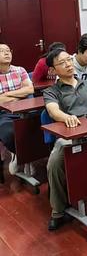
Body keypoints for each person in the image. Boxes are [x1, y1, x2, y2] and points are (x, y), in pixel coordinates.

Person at [43, 49, 87, 230]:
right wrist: (65, 117)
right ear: (53, 70)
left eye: (69, 60)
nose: (69, 64)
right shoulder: (51, 91)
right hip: (70, 134)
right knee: (54, 162)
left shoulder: (86, 84)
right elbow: (53, 111)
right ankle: (58, 210)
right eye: (62, 63)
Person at [0, 44, 34, 176]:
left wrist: (5, 96)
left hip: (25, 110)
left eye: (8, 51)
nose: (7, 53)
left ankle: (29, 158)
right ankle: (18, 155)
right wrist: (18, 95)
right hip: (4, 114)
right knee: (9, 133)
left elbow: (30, 89)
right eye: (2, 51)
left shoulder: (20, 70)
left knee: (39, 128)